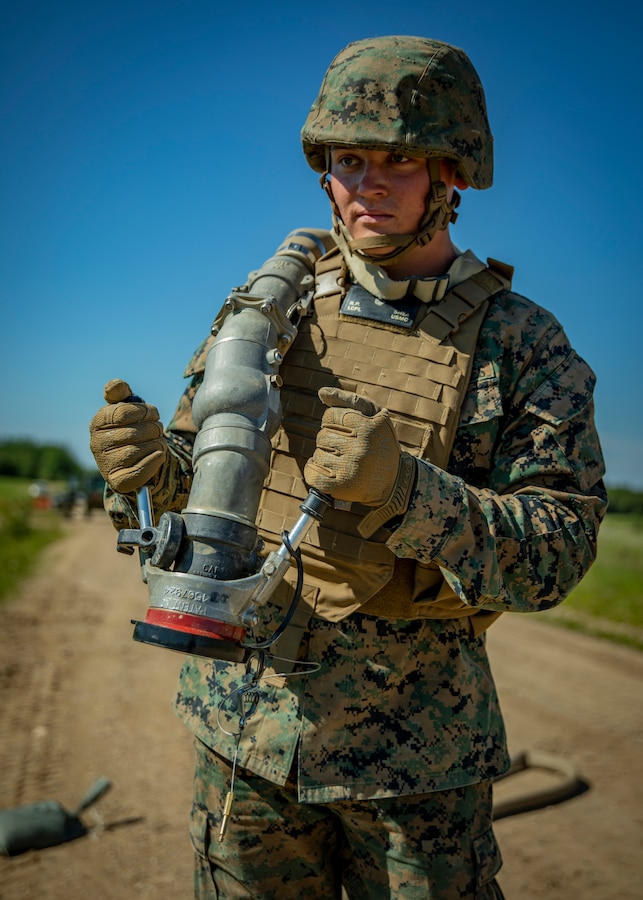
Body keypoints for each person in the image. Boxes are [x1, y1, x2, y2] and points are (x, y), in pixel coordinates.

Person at [89, 36, 607, 900]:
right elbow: (201, 483)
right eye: (347, 159)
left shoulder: (523, 343)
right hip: (244, 736)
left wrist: (408, 493)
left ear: (453, 174)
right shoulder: (268, 306)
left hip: (418, 766)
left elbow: (557, 550)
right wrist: (148, 470)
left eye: (396, 160)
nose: (365, 183)